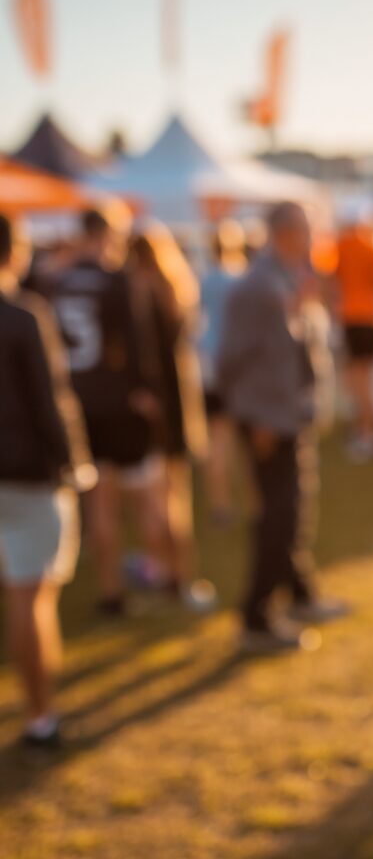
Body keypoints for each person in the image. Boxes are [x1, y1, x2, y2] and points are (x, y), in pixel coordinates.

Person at [218, 202, 347, 652]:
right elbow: (232, 359)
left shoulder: (287, 277)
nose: (313, 238)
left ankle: (300, 594)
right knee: (278, 515)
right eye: (308, 230)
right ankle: (256, 616)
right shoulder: (257, 286)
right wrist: (255, 419)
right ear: (288, 232)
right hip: (267, 421)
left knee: (292, 510)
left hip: (288, 415)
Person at [0, 214, 93, 748]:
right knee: (31, 597)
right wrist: (74, 464)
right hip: (28, 475)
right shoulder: (23, 315)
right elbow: (50, 399)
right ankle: (39, 713)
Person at [46, 205, 162, 616]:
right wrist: (144, 391)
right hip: (119, 403)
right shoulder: (117, 280)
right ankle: (161, 576)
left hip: (77, 403)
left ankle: (112, 591)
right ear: (109, 233)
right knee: (145, 496)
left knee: (98, 504)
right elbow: (136, 344)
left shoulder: (57, 279)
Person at [128, 224, 216, 612]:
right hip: (178, 404)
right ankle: (179, 576)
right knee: (175, 497)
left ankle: (168, 574)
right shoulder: (176, 289)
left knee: (157, 502)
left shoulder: (140, 295)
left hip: (155, 409)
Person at [197, 219, 248, 527]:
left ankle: (220, 503)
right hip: (235, 366)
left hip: (208, 365)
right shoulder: (239, 280)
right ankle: (251, 503)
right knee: (239, 440)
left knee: (217, 439)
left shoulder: (204, 280)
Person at [334, 206, 373, 462]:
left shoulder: (342, 245)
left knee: (359, 380)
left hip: (353, 317)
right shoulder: (371, 245)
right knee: (365, 379)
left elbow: (330, 279)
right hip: (369, 317)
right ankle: (369, 431)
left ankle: (369, 434)